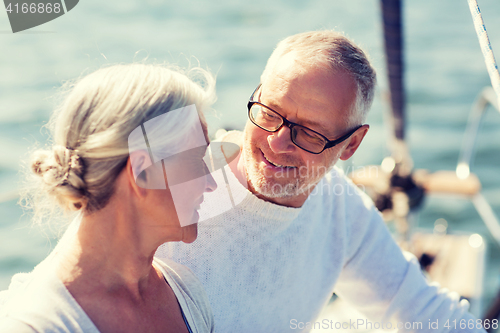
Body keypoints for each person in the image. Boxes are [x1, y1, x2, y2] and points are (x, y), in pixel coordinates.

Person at [156, 31, 487, 332]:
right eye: (269, 113)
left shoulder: (338, 206)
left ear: (351, 145)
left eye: (309, 134)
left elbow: (418, 308)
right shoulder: (175, 189)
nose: (277, 142)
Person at [0, 63, 218, 333]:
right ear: (143, 172)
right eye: (196, 160)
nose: (211, 183)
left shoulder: (185, 294)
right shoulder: (35, 326)